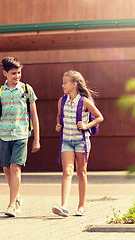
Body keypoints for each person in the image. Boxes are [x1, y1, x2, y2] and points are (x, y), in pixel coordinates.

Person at [0, 57, 40, 217]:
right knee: (6, 168)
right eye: (13, 73)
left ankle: (11, 205)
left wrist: (36, 138)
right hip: (4, 135)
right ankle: (17, 196)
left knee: (15, 167)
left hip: (21, 134)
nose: (17, 76)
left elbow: (34, 115)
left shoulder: (26, 89)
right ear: (5, 73)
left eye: (19, 72)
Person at [52, 70, 103, 217]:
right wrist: (58, 124)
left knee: (81, 172)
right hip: (66, 141)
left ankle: (81, 206)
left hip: (82, 142)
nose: (62, 85)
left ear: (74, 84)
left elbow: (100, 117)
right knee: (67, 171)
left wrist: (87, 125)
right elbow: (59, 115)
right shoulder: (61, 101)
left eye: (65, 83)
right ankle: (64, 206)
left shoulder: (85, 101)